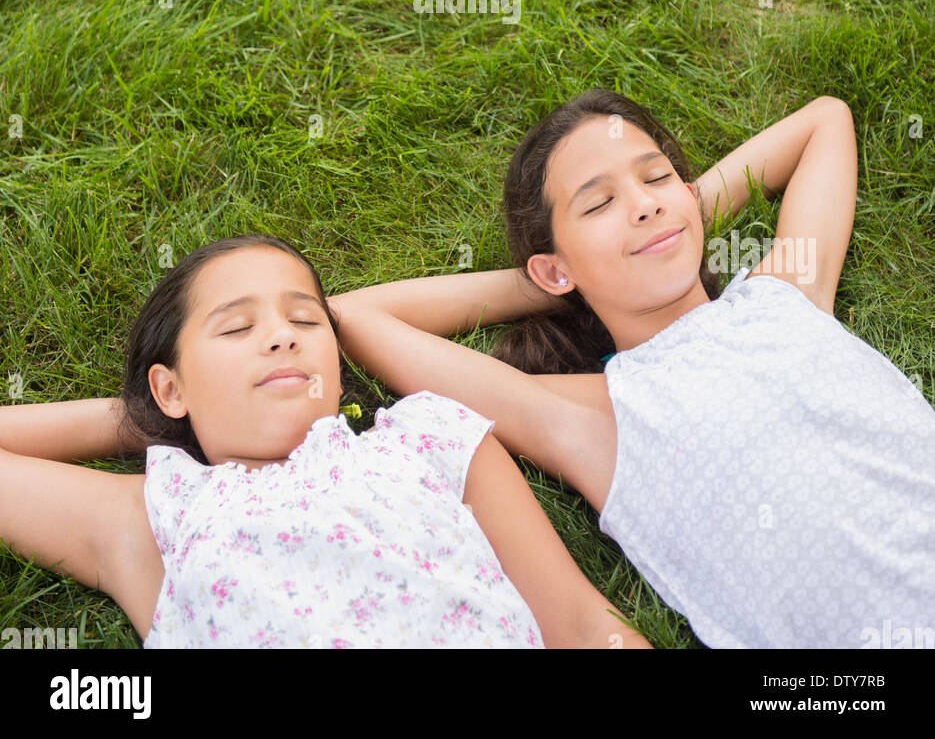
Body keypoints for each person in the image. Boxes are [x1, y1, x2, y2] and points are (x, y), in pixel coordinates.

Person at [321, 91, 935, 649]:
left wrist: (676, 215)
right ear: (551, 268)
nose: (642, 204)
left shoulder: (788, 292)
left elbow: (824, 121)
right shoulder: (597, 418)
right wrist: (567, 282)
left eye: (657, 176)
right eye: (601, 203)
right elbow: (356, 316)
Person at [0, 235, 653, 649]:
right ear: (170, 388)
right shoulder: (160, 517)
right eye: (235, 330)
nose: (282, 336)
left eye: (305, 319)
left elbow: (578, 623)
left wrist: (205, 394)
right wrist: (155, 413)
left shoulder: (428, 437)